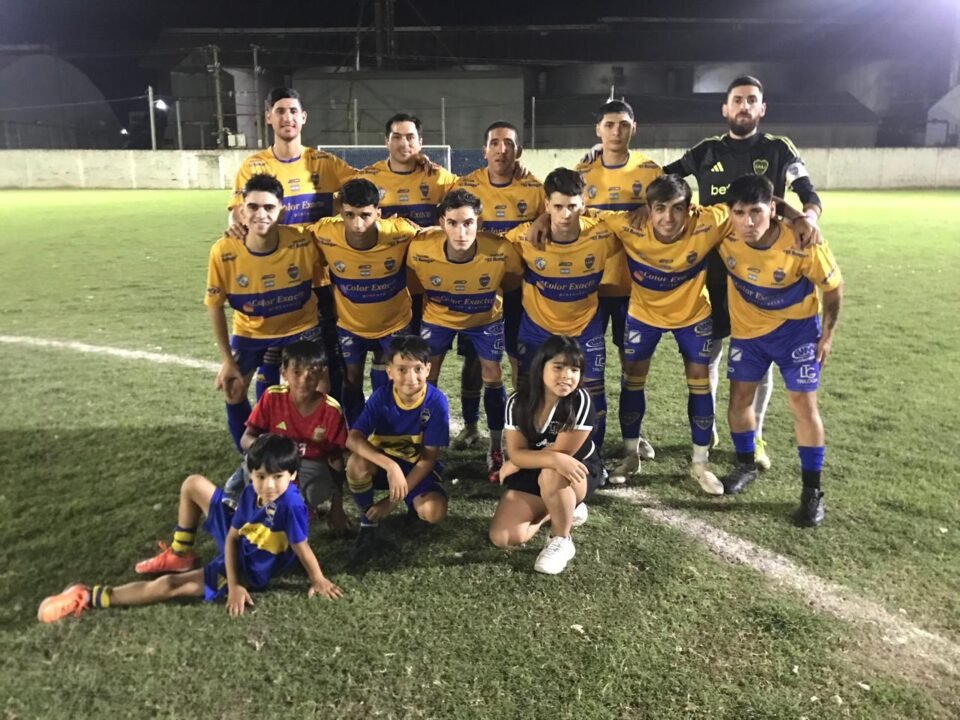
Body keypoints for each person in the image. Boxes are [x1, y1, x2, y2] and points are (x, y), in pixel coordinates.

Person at [663, 75, 823, 471]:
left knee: (759, 360)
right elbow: (663, 178)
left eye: (752, 100)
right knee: (709, 355)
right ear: (725, 108)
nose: (744, 106)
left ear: (762, 108)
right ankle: (711, 428)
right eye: (737, 100)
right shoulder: (706, 151)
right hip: (713, 275)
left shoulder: (778, 148)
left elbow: (807, 191)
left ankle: (757, 434)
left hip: (764, 278)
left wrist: (808, 217)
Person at [37, 434, 343, 623]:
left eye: (277, 477)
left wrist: (317, 580)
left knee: (170, 586)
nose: (269, 485)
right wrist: (234, 584)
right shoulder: (253, 492)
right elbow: (233, 538)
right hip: (243, 544)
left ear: (292, 476)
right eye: (261, 476)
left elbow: (302, 547)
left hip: (249, 567)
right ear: (251, 475)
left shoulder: (291, 505)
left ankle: (87, 595)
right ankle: (179, 553)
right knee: (194, 484)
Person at [717, 175, 842, 526]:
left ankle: (812, 491)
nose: (748, 222)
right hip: (748, 334)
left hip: (797, 334)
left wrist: (827, 336)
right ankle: (745, 464)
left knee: (803, 404)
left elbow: (833, 289)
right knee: (738, 400)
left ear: (772, 210)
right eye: (739, 213)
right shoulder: (724, 231)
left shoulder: (803, 242)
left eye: (756, 212)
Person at [599, 176, 728, 492]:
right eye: (660, 208)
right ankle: (631, 454)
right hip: (644, 316)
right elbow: (584, 214)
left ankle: (700, 463)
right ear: (648, 208)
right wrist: (543, 220)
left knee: (699, 381)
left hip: (692, 315)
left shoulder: (709, 221)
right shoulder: (627, 225)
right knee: (632, 378)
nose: (668, 218)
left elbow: (754, 205)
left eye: (677, 209)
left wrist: (800, 216)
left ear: (690, 209)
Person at [228, 87, 356, 403]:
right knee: (271, 363)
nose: (288, 117)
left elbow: (369, 185)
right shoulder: (253, 166)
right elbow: (237, 213)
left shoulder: (324, 163)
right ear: (268, 117)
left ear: (304, 117)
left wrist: (413, 161)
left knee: (326, 362)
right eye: (280, 111)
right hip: (274, 280)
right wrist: (233, 223)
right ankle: (271, 425)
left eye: (293, 111)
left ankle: (328, 425)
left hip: (320, 279)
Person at [406, 188, 523, 482]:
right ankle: (425, 446)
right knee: (425, 375)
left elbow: (512, 282)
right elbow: (412, 283)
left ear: (478, 223)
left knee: (492, 373)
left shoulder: (500, 249)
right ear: (441, 223)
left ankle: (495, 448)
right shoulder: (420, 248)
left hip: (484, 319)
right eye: (453, 223)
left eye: (468, 223)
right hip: (438, 318)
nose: (461, 232)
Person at [505, 168, 622, 451]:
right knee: (528, 391)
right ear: (546, 205)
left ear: (584, 203)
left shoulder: (603, 234)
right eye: (557, 207)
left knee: (593, 393)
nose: (565, 215)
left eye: (572, 206)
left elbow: (637, 225)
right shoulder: (523, 238)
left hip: (584, 327)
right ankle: (528, 454)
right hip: (537, 328)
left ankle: (592, 456)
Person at [206, 174, 324, 450]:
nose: (261, 214)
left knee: (318, 387)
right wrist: (227, 360)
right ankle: (250, 454)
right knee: (233, 386)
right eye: (253, 207)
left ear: (281, 210)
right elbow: (214, 305)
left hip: (299, 328)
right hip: (252, 331)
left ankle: (310, 454)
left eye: (269, 207)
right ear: (241, 211)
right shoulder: (223, 251)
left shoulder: (302, 241)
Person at [577, 100, 663, 465]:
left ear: (634, 128)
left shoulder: (650, 172)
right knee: (587, 369)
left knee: (633, 367)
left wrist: (650, 208)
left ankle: (632, 436)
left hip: (635, 288)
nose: (616, 131)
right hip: (591, 287)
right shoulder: (581, 172)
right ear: (598, 129)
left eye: (623, 124)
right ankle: (585, 435)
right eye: (609, 124)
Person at [451, 122, 546, 445]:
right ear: (484, 150)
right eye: (495, 143)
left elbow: (554, 215)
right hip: (479, 288)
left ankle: (521, 427)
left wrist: (543, 217)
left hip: (520, 287)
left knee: (521, 360)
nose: (501, 149)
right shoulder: (467, 186)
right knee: (474, 360)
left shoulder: (535, 188)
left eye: (508, 143)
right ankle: (470, 426)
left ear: (518, 151)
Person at [306, 178, 420, 425]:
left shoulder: (401, 232)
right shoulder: (324, 233)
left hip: (395, 323)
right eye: (350, 215)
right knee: (352, 377)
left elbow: (431, 239)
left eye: (365, 215)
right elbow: (292, 239)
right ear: (340, 211)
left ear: (379, 212)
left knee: (394, 378)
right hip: (350, 325)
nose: (358, 224)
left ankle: (387, 428)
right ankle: (356, 429)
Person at [489, 335, 600, 575]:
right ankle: (558, 509)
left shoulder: (580, 399)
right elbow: (516, 452)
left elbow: (562, 454)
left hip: (576, 470)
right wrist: (517, 460)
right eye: (558, 367)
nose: (567, 376)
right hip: (536, 467)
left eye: (574, 369)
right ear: (541, 368)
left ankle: (561, 539)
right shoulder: (518, 401)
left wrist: (518, 462)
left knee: (553, 470)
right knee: (503, 537)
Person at [222, 340, 351, 534]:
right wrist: (269, 449)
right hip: (275, 462)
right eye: (297, 372)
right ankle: (249, 500)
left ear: (322, 374)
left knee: (315, 490)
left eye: (312, 372)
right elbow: (246, 439)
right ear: (283, 373)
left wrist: (337, 506)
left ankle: (302, 504)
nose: (304, 379)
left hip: (310, 466)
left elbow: (337, 459)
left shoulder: (331, 410)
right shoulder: (272, 396)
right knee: (254, 461)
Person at [344, 335, 450, 565]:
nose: (410, 378)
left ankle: (411, 504)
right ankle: (367, 521)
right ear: (390, 371)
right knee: (356, 464)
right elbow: (353, 438)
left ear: (428, 369)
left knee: (434, 512)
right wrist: (391, 466)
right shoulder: (381, 397)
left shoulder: (436, 402)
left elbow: (428, 459)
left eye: (417, 369)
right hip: (384, 467)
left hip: (416, 467)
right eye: (402, 369)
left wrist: (390, 502)